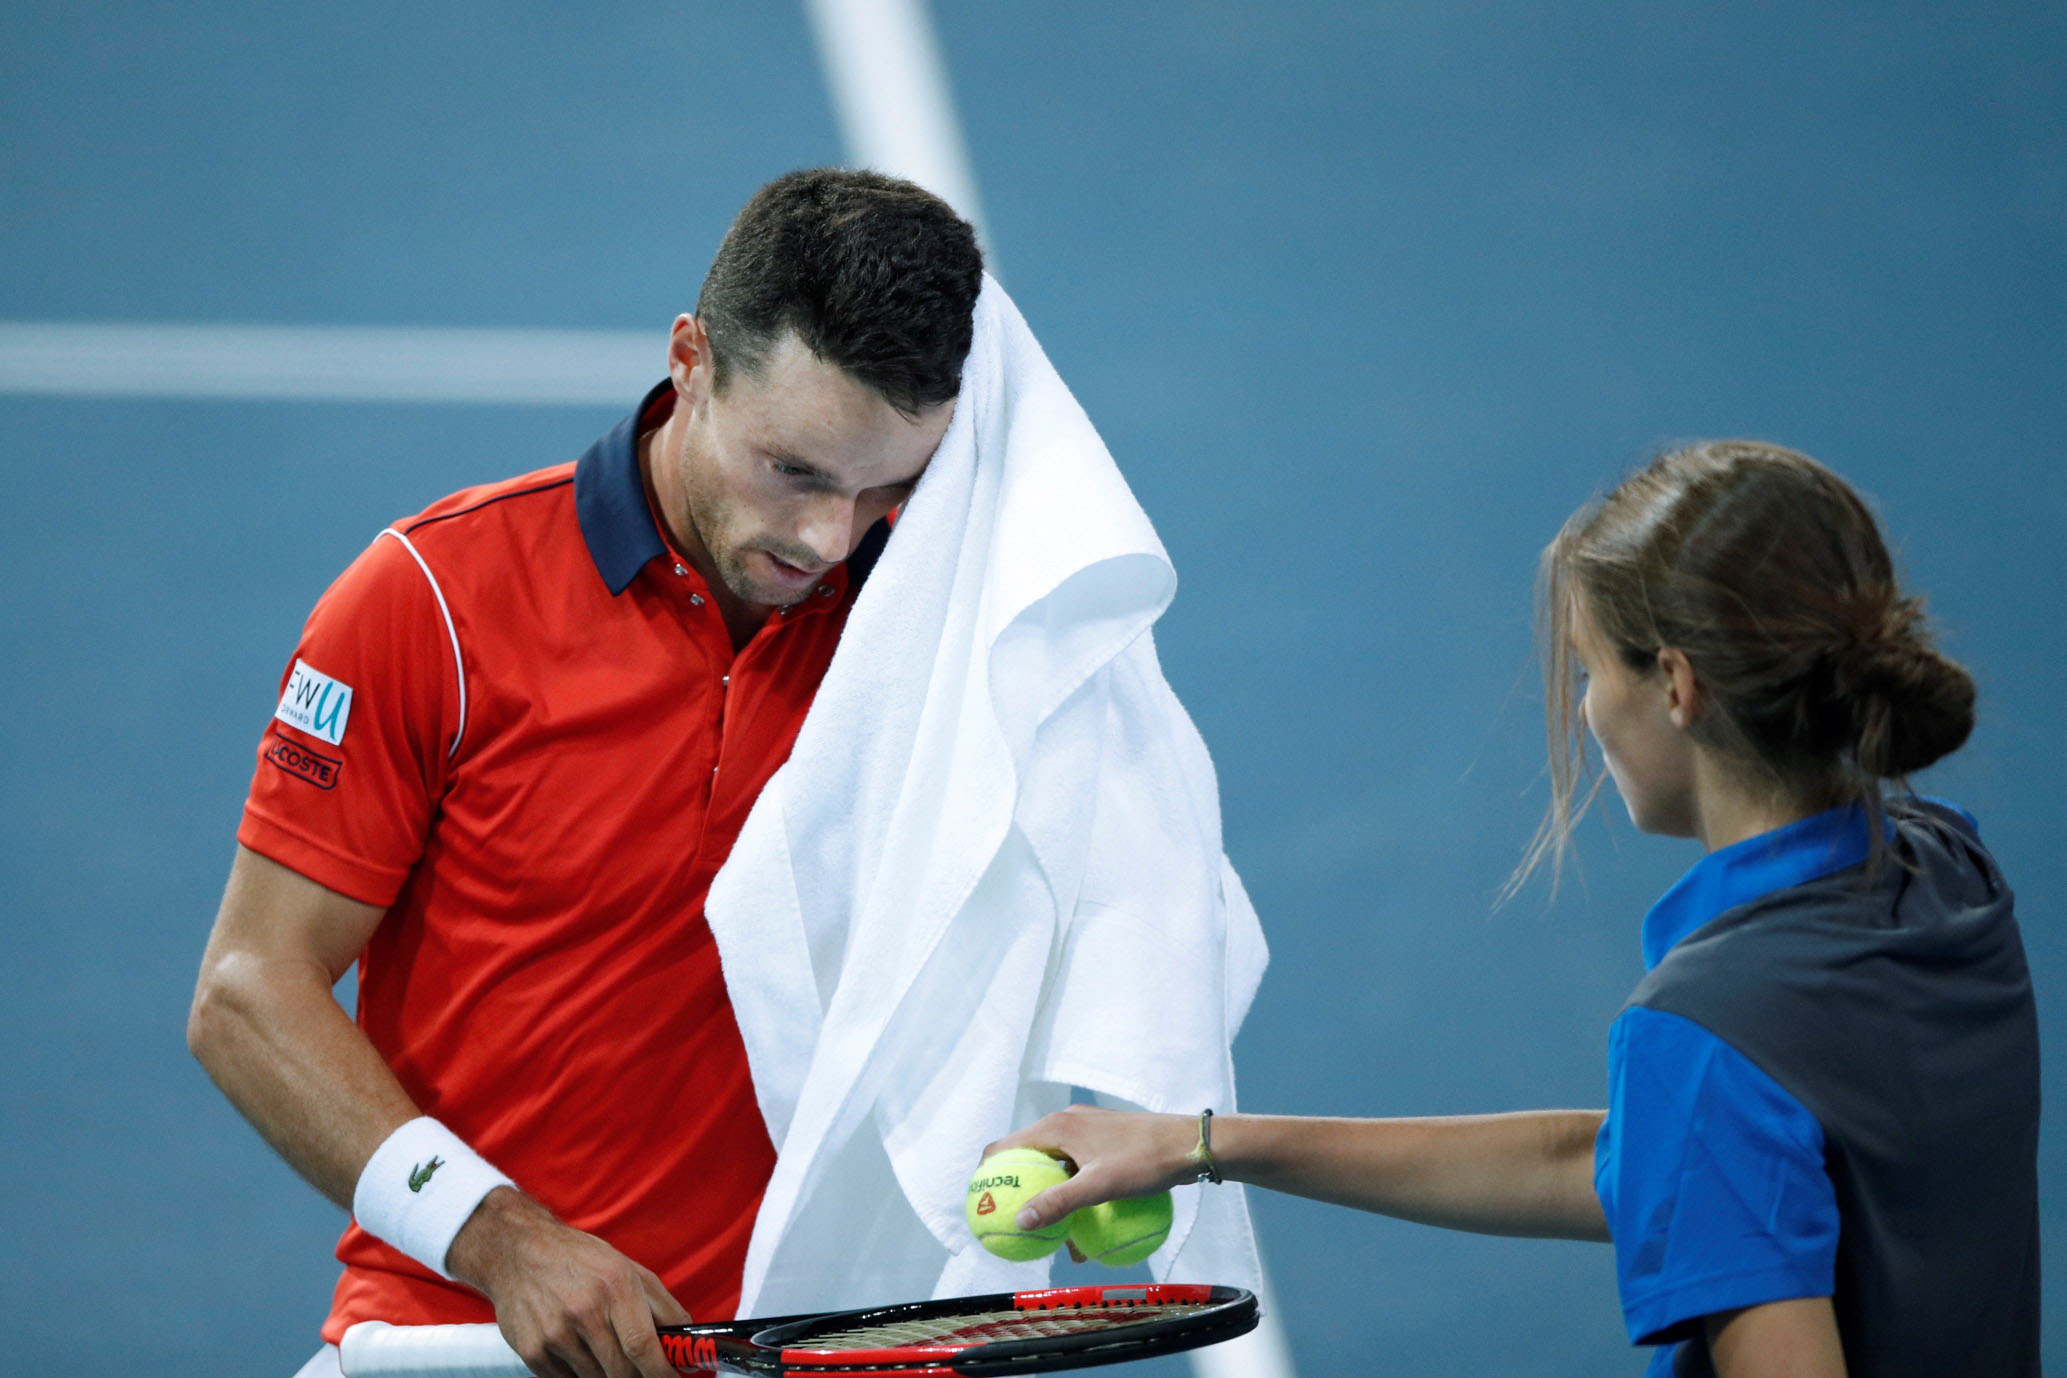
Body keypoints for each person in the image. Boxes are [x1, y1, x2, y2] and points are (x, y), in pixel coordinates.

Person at [988, 441, 2040, 1377]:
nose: (1584, 708)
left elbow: (1711, 1141)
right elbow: (1634, 1165)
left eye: (1590, 670)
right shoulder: (1947, 867)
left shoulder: (1715, 1032)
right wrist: (1197, 1141)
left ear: (1676, 686)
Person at [189, 168, 985, 1378]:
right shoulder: (432, 604)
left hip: (783, 1349)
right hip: (456, 1339)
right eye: (797, 471)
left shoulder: (931, 640)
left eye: (886, 487)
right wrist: (498, 1236)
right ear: (690, 360)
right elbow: (250, 988)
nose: (830, 538)